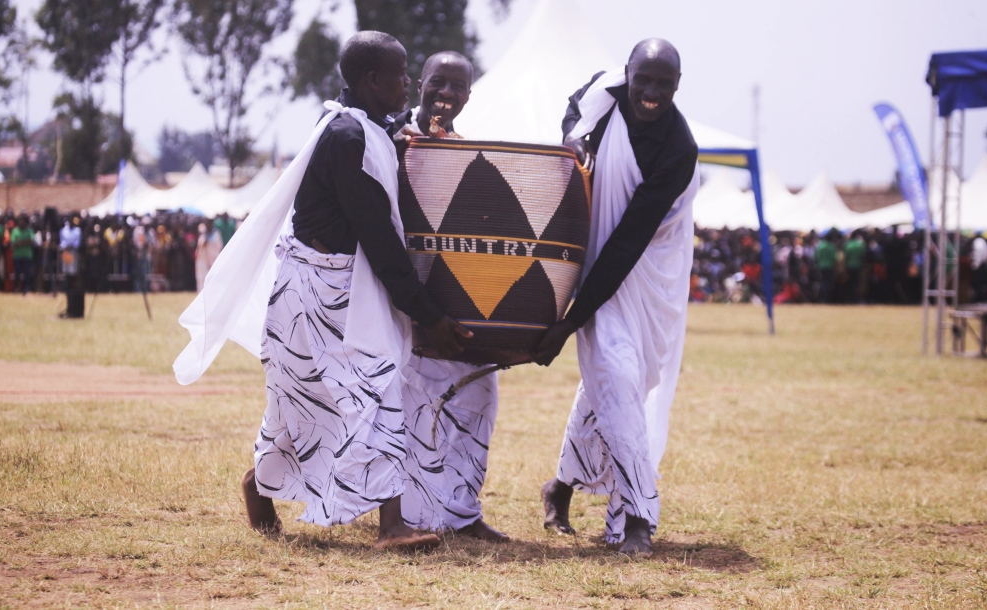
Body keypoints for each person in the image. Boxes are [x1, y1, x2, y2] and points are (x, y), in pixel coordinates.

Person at [237, 31, 471, 551]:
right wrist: (427, 314)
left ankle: (259, 486)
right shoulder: (349, 138)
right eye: (400, 74)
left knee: (309, 400)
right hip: (321, 291)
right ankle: (392, 527)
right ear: (371, 80)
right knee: (375, 386)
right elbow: (381, 240)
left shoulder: (361, 130)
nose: (408, 82)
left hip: (323, 287)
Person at [532, 39, 699, 557]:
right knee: (620, 377)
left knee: (617, 379)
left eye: (663, 84)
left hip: (650, 267)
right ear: (627, 73)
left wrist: (568, 321)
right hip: (597, 259)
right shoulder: (603, 95)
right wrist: (572, 142)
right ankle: (637, 518)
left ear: (677, 86)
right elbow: (572, 115)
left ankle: (559, 487)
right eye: (642, 80)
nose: (649, 93)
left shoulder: (679, 149)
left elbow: (629, 240)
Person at [390, 51, 508, 542]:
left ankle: (463, 515)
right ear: (420, 83)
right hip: (403, 301)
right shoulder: (391, 139)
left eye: (457, 87)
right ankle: (416, 518)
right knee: (413, 409)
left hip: (455, 302)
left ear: (468, 96)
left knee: (479, 397)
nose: (446, 95)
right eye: (439, 83)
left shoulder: (466, 150)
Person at [193, 220, 222, 292]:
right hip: (203, 260)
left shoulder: (216, 234)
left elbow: (219, 246)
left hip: (214, 259)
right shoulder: (203, 235)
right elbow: (200, 247)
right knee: (202, 278)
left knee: (214, 278)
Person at [11, 215, 36, 295]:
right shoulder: (15, 231)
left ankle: (26, 289)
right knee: (17, 273)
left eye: (23, 221)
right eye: (20, 221)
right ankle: (16, 288)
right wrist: (25, 241)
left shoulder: (30, 231)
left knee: (27, 273)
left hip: (27, 256)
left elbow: (32, 241)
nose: (21, 223)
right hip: (17, 256)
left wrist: (21, 242)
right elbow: (13, 243)